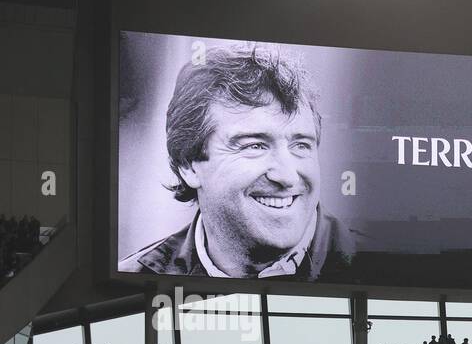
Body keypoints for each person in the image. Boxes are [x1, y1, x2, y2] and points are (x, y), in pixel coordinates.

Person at [118, 45, 354, 280]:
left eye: (300, 145)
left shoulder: (381, 269)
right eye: (255, 146)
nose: (288, 176)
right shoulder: (132, 281)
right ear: (188, 164)